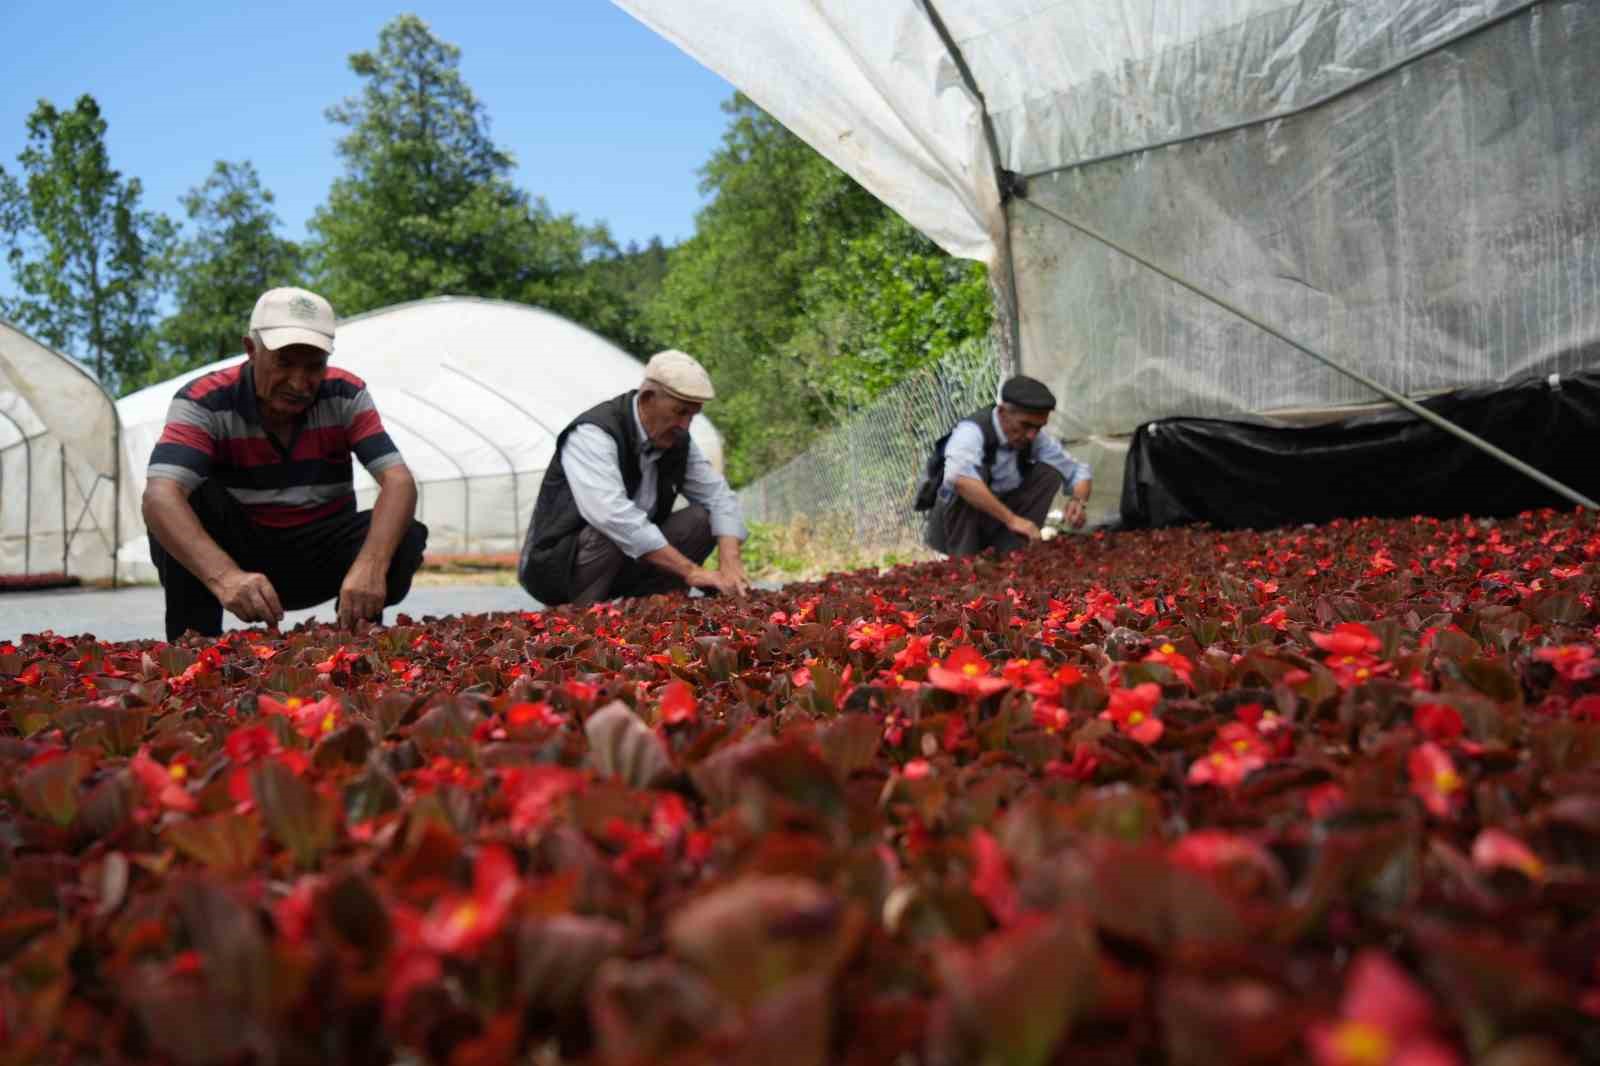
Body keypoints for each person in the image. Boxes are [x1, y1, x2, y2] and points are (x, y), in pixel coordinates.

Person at [142, 287, 427, 640]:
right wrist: (226, 576)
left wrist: (371, 566)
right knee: (181, 501)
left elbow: (398, 481)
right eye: (284, 362)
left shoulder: (344, 393)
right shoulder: (204, 400)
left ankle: (358, 635)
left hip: (320, 551)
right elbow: (160, 496)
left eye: (314, 366)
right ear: (251, 350)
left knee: (405, 533)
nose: (299, 382)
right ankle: (194, 643)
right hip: (241, 552)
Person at [518, 350, 749, 607]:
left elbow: (718, 497)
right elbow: (611, 515)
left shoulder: (676, 439)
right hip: (561, 569)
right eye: (679, 412)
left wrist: (731, 562)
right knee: (611, 528)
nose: (685, 425)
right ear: (648, 398)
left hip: (629, 560)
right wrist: (693, 572)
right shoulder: (594, 433)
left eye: (692, 416)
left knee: (702, 518)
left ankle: (656, 606)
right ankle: (581, 615)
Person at [924, 374, 1092, 557]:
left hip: (999, 520)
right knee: (966, 479)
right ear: (1003, 412)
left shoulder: (1035, 438)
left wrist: (1078, 501)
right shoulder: (971, 432)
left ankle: (1012, 553)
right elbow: (960, 479)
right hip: (957, 527)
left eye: (1039, 427)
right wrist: (1012, 520)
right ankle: (965, 560)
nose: (1031, 435)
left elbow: (1078, 471)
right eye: (1025, 425)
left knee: (1050, 471)